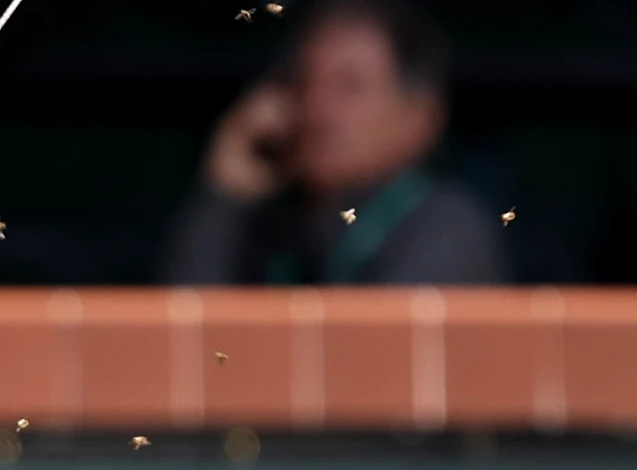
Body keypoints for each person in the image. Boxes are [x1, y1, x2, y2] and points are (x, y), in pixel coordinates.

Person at [158, 1, 506, 289]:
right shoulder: (271, 226)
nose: (316, 109)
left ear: (422, 117)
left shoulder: (448, 229)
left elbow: (361, 357)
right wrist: (224, 196)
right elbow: (188, 341)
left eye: (349, 86)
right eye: (304, 83)